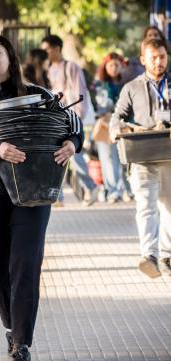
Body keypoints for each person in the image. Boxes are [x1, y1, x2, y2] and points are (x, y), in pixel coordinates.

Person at [0, 34, 83, 361]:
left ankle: (21, 345)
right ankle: (12, 328)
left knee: (25, 264)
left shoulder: (40, 95)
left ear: (10, 58)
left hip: (34, 190)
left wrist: (72, 145)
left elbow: (72, 124)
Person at [110, 38, 171, 279]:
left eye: (163, 57)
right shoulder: (131, 88)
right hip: (143, 155)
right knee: (146, 207)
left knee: (169, 208)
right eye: (153, 57)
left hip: (169, 156)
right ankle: (150, 256)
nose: (158, 62)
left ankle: (166, 256)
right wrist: (119, 130)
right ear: (143, 59)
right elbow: (117, 118)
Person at [41, 34, 98, 206]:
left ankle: (90, 186)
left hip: (70, 119)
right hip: (54, 119)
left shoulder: (71, 67)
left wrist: (76, 120)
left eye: (47, 50)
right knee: (58, 155)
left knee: (73, 155)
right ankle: (58, 196)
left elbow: (80, 93)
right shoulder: (47, 69)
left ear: (57, 48)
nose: (45, 54)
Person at [93, 52, 131, 203]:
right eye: (110, 65)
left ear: (122, 66)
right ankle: (112, 191)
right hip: (105, 125)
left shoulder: (127, 84)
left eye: (117, 64)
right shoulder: (100, 84)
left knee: (123, 159)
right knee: (107, 159)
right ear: (105, 67)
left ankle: (126, 190)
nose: (114, 68)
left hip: (122, 125)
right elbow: (100, 105)